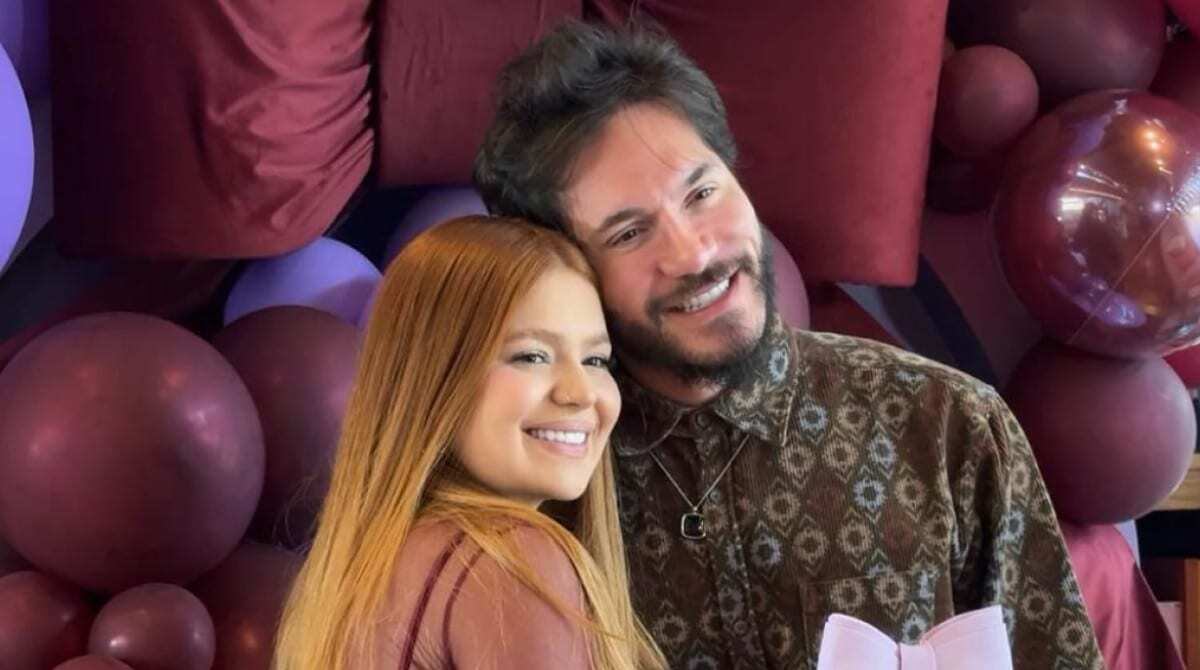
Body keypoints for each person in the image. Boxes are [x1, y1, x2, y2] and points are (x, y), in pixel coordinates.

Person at [473, 21, 1105, 670]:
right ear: (569, 268)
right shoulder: (542, 482)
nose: (694, 254)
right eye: (630, 233)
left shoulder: (947, 423)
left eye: (701, 193)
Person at [273, 216, 665, 670]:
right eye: (531, 356)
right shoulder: (512, 558)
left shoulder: (356, 576)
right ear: (435, 379)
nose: (580, 392)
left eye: (596, 360)